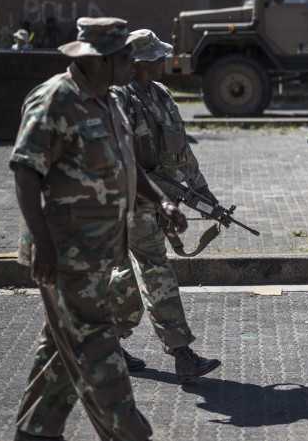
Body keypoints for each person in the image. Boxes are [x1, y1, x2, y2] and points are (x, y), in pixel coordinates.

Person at [10, 17, 188, 441]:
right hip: (64, 254)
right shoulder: (56, 99)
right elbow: (25, 171)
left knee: (59, 351)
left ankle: (35, 432)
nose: (133, 63)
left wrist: (160, 199)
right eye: (125, 56)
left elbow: (127, 163)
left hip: (97, 251)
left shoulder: (107, 100)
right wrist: (42, 244)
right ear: (99, 61)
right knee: (99, 354)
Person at [108, 29, 222, 381]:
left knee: (130, 276)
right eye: (156, 57)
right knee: (156, 271)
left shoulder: (162, 94)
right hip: (132, 202)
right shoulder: (119, 98)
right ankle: (182, 353)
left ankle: (99, 343)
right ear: (138, 62)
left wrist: (202, 193)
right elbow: (118, 155)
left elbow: (181, 151)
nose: (163, 61)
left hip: (163, 200)